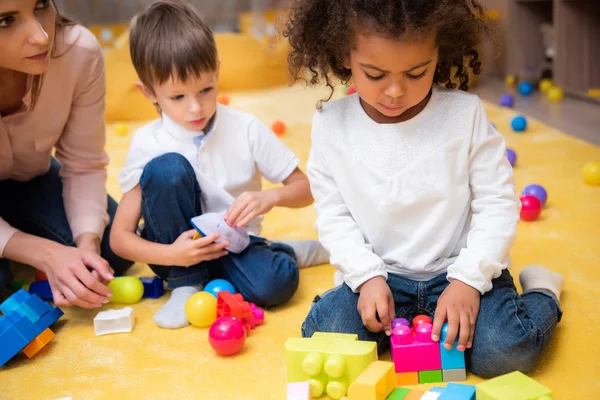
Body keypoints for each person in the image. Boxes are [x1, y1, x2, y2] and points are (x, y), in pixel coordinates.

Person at [284, 0, 564, 377]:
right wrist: (365, 276)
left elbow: (497, 203)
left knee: (505, 352)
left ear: (439, 54)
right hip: (380, 276)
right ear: (343, 55)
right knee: (325, 335)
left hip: (459, 272)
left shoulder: (465, 116)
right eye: (375, 74)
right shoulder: (331, 125)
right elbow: (334, 215)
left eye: (417, 73)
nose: (396, 91)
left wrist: (469, 280)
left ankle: (542, 290)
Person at [110, 0, 328, 329]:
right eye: (178, 97)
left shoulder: (245, 127)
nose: (196, 108)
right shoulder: (147, 142)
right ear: (149, 93)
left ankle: (280, 251)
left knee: (276, 285)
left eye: (206, 89)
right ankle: (187, 283)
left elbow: (305, 190)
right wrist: (175, 257)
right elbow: (120, 239)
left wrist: (269, 198)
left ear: (217, 71)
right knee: (168, 167)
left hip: (232, 243)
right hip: (173, 253)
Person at [0, 0, 133, 308]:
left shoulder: (79, 53)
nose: (41, 37)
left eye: (42, 5)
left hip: (30, 179)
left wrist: (86, 247)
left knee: (110, 254)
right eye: (6, 21)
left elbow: (84, 164)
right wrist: (46, 254)